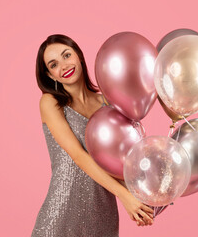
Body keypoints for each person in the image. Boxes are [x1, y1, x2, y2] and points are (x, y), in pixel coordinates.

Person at [31, 34, 154, 237]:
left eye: (66, 55)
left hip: (103, 214)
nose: (63, 66)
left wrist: (140, 199)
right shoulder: (50, 103)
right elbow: (78, 156)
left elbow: (119, 161)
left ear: (79, 56)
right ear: (50, 75)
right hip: (61, 213)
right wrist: (124, 196)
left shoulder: (107, 103)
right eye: (53, 64)